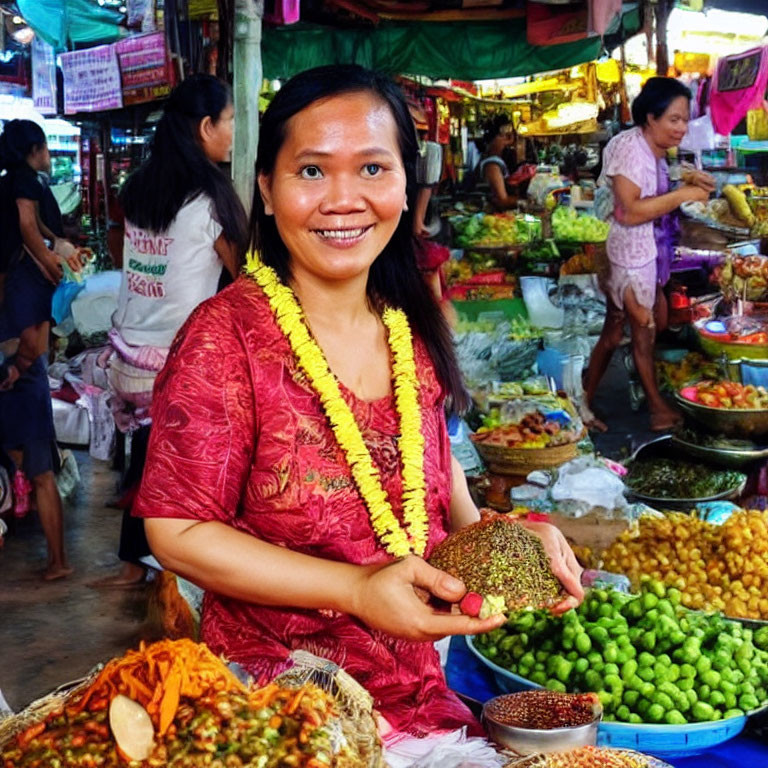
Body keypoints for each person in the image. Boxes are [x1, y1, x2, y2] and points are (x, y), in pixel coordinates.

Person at [132, 65, 584, 735]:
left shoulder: (410, 326)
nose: (343, 199)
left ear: (406, 187)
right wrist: (356, 591)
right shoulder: (224, 340)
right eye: (311, 171)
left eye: (372, 169)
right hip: (280, 711)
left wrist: (508, 539)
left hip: (420, 696)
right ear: (266, 189)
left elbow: (433, 470)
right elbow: (175, 531)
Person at [95, 74, 247, 587]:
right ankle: (173, 566)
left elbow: (121, 246)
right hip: (179, 363)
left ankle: (134, 561)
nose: (233, 132)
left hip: (128, 357)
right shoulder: (211, 195)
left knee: (148, 456)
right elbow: (245, 272)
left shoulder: (139, 186)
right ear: (206, 126)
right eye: (230, 121)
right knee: (184, 467)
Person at [583, 77, 714, 432]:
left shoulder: (649, 148)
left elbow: (649, 192)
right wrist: (682, 195)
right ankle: (655, 407)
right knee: (641, 329)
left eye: (685, 120)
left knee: (620, 330)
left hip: (634, 252)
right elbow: (628, 211)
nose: (682, 128)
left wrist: (686, 182)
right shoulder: (631, 149)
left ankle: (584, 404)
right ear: (651, 118)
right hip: (625, 252)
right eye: (674, 119)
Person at [0, 119, 83, 580]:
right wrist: (50, 259)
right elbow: (30, 225)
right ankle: (57, 560)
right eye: (47, 147)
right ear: (35, 149)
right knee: (40, 471)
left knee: (38, 471)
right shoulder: (25, 183)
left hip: (17, 375)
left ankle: (58, 560)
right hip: (21, 378)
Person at [478, 115, 519, 210]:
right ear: (492, 139)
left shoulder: (492, 161)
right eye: (505, 136)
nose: (509, 142)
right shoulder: (492, 165)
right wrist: (526, 201)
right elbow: (502, 200)